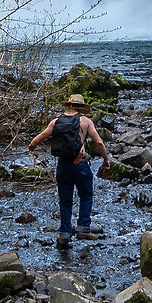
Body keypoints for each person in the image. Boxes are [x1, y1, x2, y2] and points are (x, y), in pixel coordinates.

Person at [29, 92, 108, 239]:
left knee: (65, 200)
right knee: (86, 195)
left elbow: (40, 138)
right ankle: (84, 228)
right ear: (82, 107)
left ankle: (65, 233)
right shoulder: (86, 121)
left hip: (63, 164)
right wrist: (105, 159)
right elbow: (99, 143)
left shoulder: (56, 121)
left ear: (69, 105)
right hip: (80, 163)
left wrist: (31, 147)